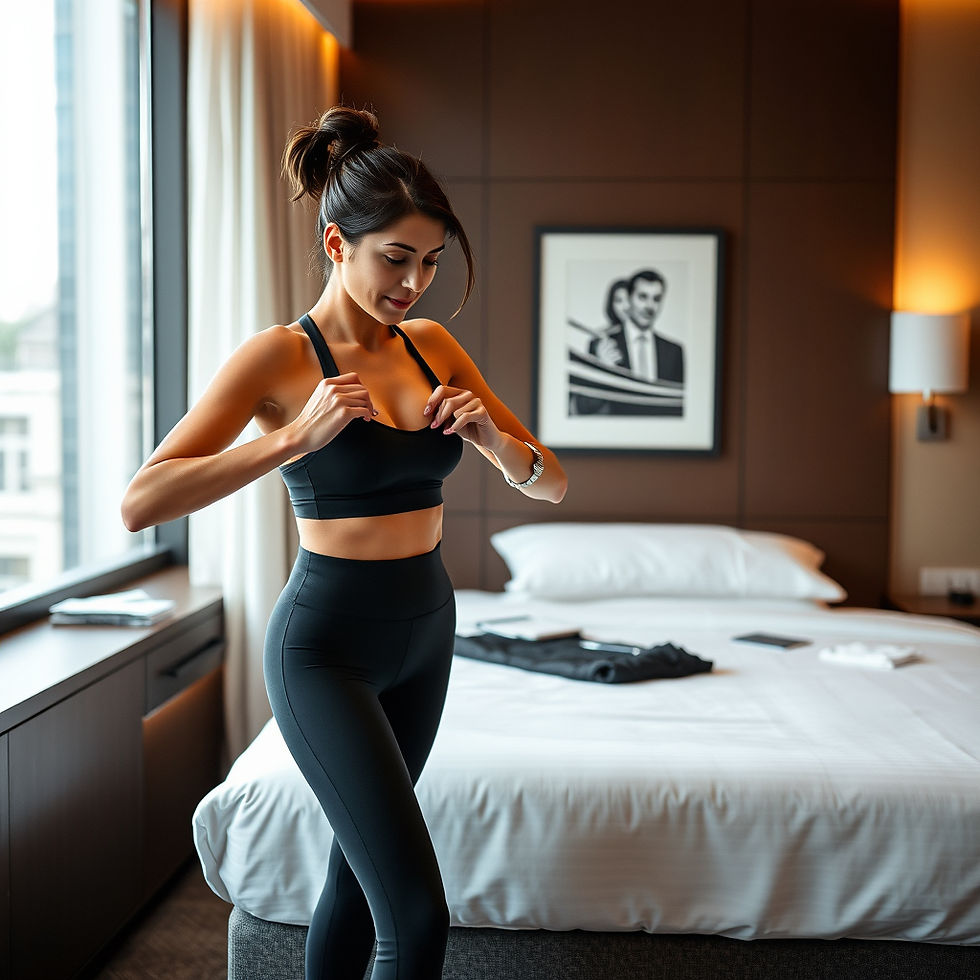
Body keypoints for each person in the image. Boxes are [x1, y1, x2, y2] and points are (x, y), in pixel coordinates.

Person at [120, 106, 567, 980]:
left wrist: (494, 440)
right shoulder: (281, 359)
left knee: (359, 888)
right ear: (336, 245)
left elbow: (550, 479)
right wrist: (291, 439)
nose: (414, 283)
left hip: (426, 629)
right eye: (394, 257)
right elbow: (143, 501)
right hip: (325, 645)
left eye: (430, 262)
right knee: (417, 915)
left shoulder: (434, 347)